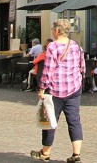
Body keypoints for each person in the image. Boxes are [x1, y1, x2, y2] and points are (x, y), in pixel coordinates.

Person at [33, 19, 84, 163]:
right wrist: (78, 81)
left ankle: (46, 152)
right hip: (74, 88)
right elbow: (82, 67)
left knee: (50, 120)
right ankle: (76, 154)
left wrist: (42, 87)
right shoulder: (76, 46)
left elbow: (48, 70)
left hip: (56, 89)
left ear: (57, 31)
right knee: (74, 120)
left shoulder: (52, 47)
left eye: (53, 29)